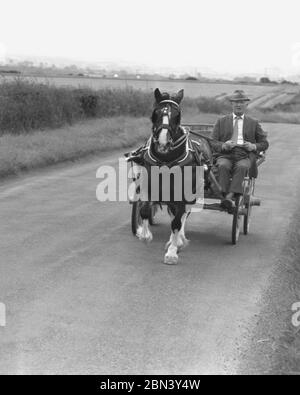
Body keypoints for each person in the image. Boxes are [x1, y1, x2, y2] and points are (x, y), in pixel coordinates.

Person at [211, 90, 269, 209]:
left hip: (245, 155)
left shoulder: (253, 123)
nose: (238, 105)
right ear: (231, 104)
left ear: (246, 104)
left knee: (242, 167)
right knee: (222, 165)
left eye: (241, 102)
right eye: (236, 102)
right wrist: (223, 145)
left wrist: (253, 146)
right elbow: (213, 142)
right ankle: (223, 194)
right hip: (225, 154)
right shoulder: (221, 121)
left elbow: (264, 143)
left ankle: (229, 196)